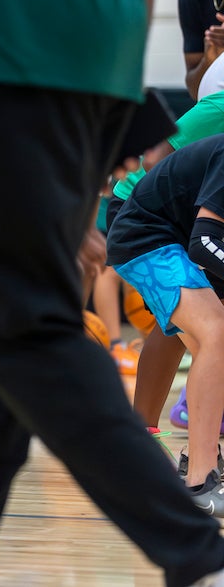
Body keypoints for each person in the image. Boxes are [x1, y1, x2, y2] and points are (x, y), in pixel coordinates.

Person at [0, 0, 224, 586]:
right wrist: (118, 78)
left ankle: (195, 551)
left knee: (19, 327)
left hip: (2, 45)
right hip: (97, 51)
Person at [107, 135, 224, 514]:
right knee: (217, 334)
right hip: (147, 237)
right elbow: (205, 240)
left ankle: (192, 454)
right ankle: (199, 482)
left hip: (180, 239)